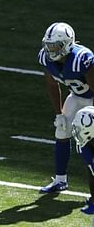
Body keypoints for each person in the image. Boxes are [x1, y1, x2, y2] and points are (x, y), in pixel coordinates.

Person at [38, 22, 94, 193]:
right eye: (49, 46)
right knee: (61, 130)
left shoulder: (82, 59)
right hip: (77, 97)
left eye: (55, 46)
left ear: (68, 43)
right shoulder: (45, 58)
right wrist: (59, 113)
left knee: (90, 140)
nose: (51, 50)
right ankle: (60, 180)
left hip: (92, 98)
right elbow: (52, 85)